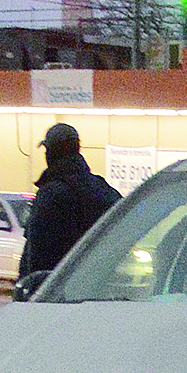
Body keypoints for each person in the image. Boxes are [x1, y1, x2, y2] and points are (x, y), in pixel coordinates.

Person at [14, 124, 121, 298]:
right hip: (97, 293)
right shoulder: (104, 191)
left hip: (55, 296)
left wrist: (27, 292)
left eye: (48, 149)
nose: (46, 155)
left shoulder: (50, 195)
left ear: (57, 150)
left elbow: (36, 257)